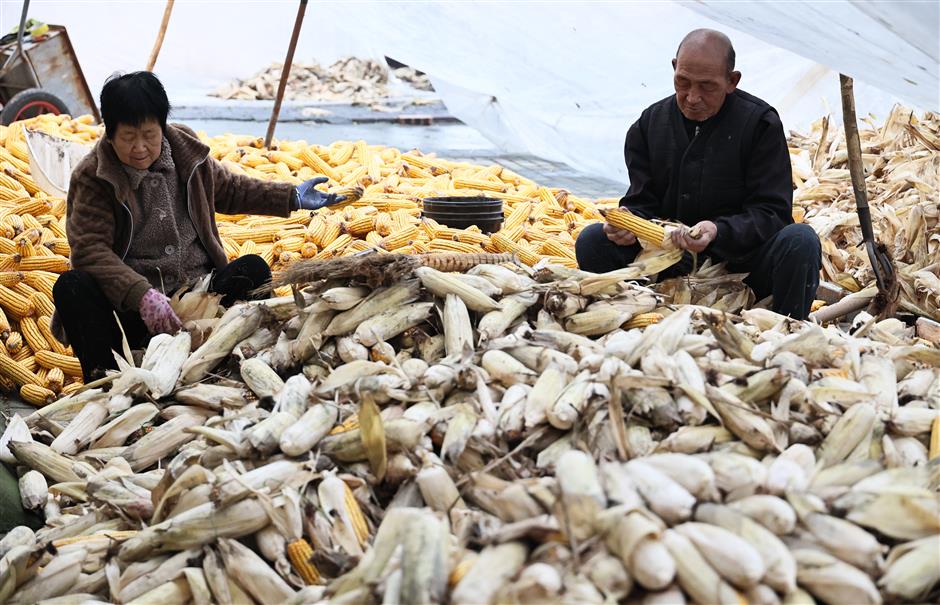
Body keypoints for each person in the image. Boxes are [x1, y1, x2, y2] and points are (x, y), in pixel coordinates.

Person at [53, 71, 345, 381]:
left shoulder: (185, 153)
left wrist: (291, 196)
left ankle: (237, 363)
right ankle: (107, 382)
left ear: (162, 127)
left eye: (149, 134)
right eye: (128, 137)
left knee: (253, 270)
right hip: (131, 311)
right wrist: (141, 295)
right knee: (72, 287)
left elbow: (231, 190)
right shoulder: (94, 177)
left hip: (199, 294)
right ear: (109, 134)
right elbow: (90, 250)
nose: (140, 147)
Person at [576, 29, 821, 319]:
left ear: (732, 81)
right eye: (683, 82)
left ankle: (787, 332)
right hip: (669, 264)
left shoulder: (759, 125)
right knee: (592, 240)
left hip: (744, 266)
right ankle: (629, 315)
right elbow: (643, 203)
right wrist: (629, 224)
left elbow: (771, 213)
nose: (692, 97)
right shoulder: (648, 125)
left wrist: (719, 231)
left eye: (707, 86)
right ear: (673, 69)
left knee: (801, 240)